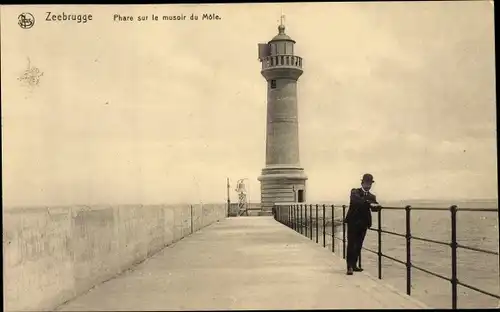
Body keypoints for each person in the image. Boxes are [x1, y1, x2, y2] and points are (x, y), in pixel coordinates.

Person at [344, 173, 382, 275]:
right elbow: (357, 201)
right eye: (367, 183)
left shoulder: (372, 196)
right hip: (353, 222)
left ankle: (354, 265)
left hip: (363, 224)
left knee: (359, 245)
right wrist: (370, 203)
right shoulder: (355, 192)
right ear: (362, 183)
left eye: (370, 183)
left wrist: (377, 206)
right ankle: (349, 267)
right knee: (351, 244)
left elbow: (375, 207)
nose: (368, 185)